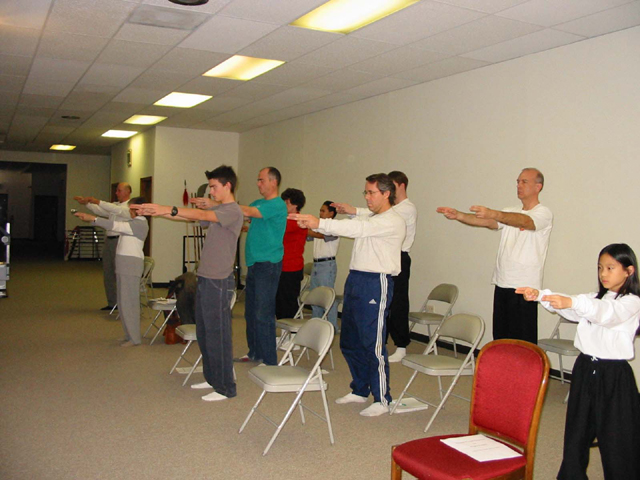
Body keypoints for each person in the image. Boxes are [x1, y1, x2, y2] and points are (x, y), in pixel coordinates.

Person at [516, 243, 640, 480]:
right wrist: (540, 295)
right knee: (576, 432)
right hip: (585, 368)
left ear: (629, 271)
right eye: (600, 267)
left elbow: (605, 313)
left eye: (611, 268)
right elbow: (573, 306)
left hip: (613, 375)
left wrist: (573, 303)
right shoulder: (594, 297)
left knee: (616, 438)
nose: (603, 273)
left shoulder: (632, 302)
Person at [291, 173, 405, 417]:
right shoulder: (374, 216)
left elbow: (357, 227)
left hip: (376, 282)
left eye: (371, 192)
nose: (367, 197)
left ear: (386, 194)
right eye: (365, 192)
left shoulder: (392, 220)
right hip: (356, 280)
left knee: (372, 343)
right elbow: (362, 215)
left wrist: (319, 223)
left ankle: (382, 398)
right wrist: (352, 208)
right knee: (350, 340)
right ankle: (360, 389)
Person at [133, 166, 243, 401]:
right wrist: (158, 212)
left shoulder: (232, 211)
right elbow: (191, 216)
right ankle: (213, 378)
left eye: (214, 187)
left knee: (218, 334)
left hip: (219, 282)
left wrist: (167, 208)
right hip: (205, 277)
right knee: (204, 332)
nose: (210, 191)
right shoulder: (219, 209)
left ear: (227, 186)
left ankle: (226, 387)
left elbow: (202, 216)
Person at [436, 168, 552, 344]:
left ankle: (523, 372)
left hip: (525, 287)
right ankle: (502, 371)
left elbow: (525, 222)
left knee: (522, 341)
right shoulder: (510, 211)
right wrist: (459, 215)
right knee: (501, 336)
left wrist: (494, 213)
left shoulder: (543, 213)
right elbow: (487, 222)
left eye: (524, 182)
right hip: (502, 282)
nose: (519, 185)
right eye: (518, 181)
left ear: (538, 187)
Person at [75, 197, 148, 346]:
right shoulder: (132, 222)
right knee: (122, 302)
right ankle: (129, 335)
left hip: (131, 264)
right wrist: (93, 215)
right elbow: (115, 225)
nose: (128, 211)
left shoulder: (140, 224)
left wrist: (93, 219)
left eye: (130, 208)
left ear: (138, 209)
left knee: (130, 303)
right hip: (124, 263)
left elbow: (114, 225)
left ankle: (135, 338)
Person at [235, 167, 287, 366]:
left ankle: (269, 359)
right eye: (258, 180)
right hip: (254, 263)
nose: (258, 183)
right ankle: (255, 352)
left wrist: (222, 202)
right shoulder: (258, 203)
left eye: (261, 180)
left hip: (268, 264)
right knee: (250, 312)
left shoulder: (277, 204)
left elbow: (248, 211)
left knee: (263, 312)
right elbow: (246, 215)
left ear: (273, 182)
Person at [74, 183, 132, 311]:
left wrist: (96, 200)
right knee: (108, 272)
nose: (116, 193)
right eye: (116, 190)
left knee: (120, 273)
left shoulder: (129, 207)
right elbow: (101, 210)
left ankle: (124, 304)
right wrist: (86, 203)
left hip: (121, 241)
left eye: (119, 190)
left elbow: (113, 209)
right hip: (110, 241)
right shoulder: (115, 205)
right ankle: (112, 303)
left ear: (127, 192)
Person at [307, 201, 340, 331]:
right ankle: (316, 325)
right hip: (316, 264)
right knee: (315, 297)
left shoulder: (334, 227)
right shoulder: (318, 226)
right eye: (320, 210)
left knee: (327, 297)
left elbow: (321, 236)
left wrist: (306, 230)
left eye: (323, 211)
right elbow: (308, 236)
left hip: (327, 265)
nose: (320, 213)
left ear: (331, 213)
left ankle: (332, 327)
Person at [275, 188, 307, 319]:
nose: (284, 206)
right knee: (279, 303)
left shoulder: (297, 220)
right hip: (281, 266)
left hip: (291, 268)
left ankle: (291, 336)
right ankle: (283, 336)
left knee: (288, 305)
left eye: (287, 203)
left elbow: (277, 228)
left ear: (295, 205)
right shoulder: (284, 219)